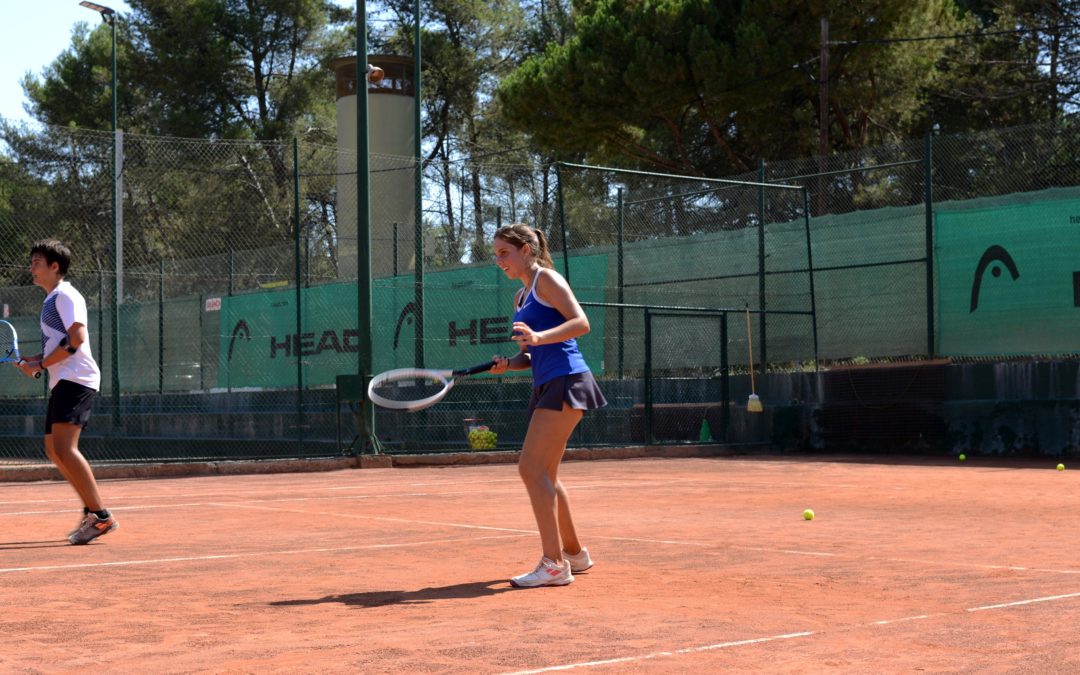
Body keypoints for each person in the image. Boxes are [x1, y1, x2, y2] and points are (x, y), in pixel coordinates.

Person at [489, 223, 607, 588]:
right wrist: (511, 362)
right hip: (546, 383)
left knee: (530, 468)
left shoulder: (548, 281)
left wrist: (539, 336)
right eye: (495, 256)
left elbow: (581, 323)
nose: (499, 261)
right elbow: (530, 354)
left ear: (526, 249)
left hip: (567, 380)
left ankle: (553, 564)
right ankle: (574, 554)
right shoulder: (520, 298)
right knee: (546, 476)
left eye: (504, 253)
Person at [15, 239, 118, 545]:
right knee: (53, 449)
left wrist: (43, 363)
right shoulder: (51, 300)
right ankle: (93, 512)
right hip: (64, 381)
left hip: (78, 378)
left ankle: (100, 516)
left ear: (54, 266)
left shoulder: (65, 295)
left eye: (37, 262)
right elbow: (56, 345)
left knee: (65, 449)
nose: (32, 267)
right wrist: (35, 362)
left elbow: (77, 338)